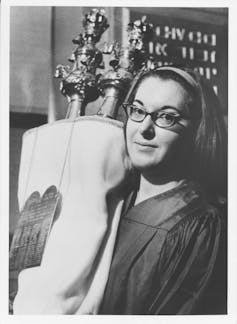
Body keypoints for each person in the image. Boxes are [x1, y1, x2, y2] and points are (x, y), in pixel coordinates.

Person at [99, 66, 227, 315]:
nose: (144, 128)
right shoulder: (115, 201)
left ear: (196, 130)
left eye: (167, 117)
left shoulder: (200, 225)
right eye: (137, 110)